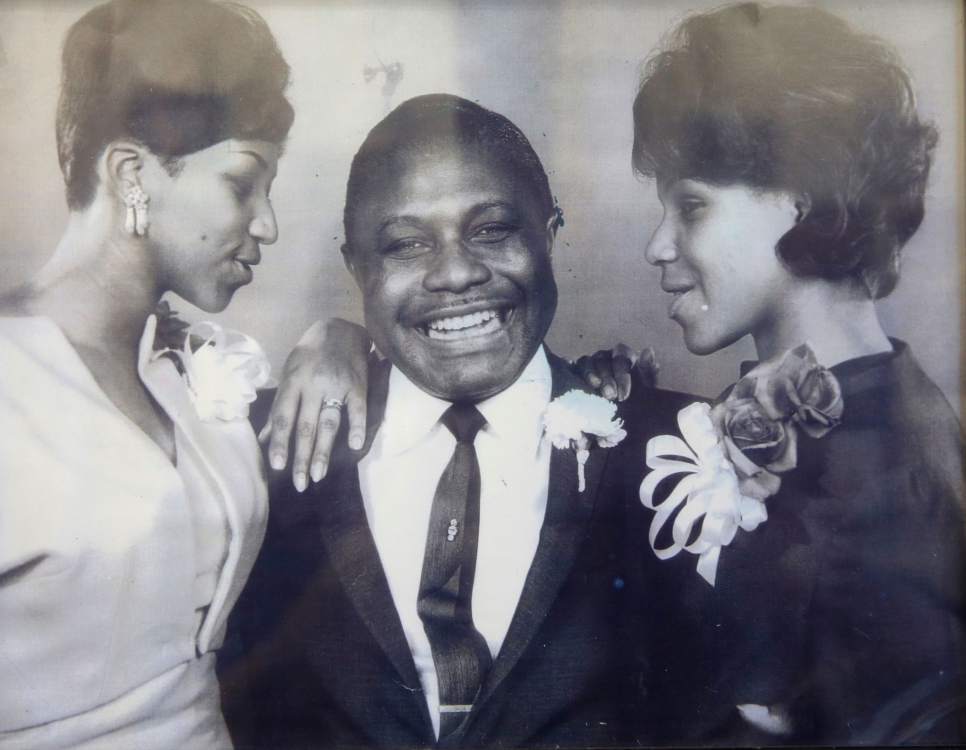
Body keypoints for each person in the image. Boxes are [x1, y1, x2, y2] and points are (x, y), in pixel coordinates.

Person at [219, 94, 690, 748]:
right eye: (407, 244)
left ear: (548, 235)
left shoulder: (674, 450)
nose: (458, 272)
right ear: (357, 266)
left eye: (492, 229)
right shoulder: (263, 446)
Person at [623, 3, 965, 744]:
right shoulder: (889, 410)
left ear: (798, 203)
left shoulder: (878, 475)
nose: (657, 246)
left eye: (691, 206)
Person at [0, 1, 294, 747]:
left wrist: (337, 341)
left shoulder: (189, 366)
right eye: (245, 182)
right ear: (130, 175)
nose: (270, 223)